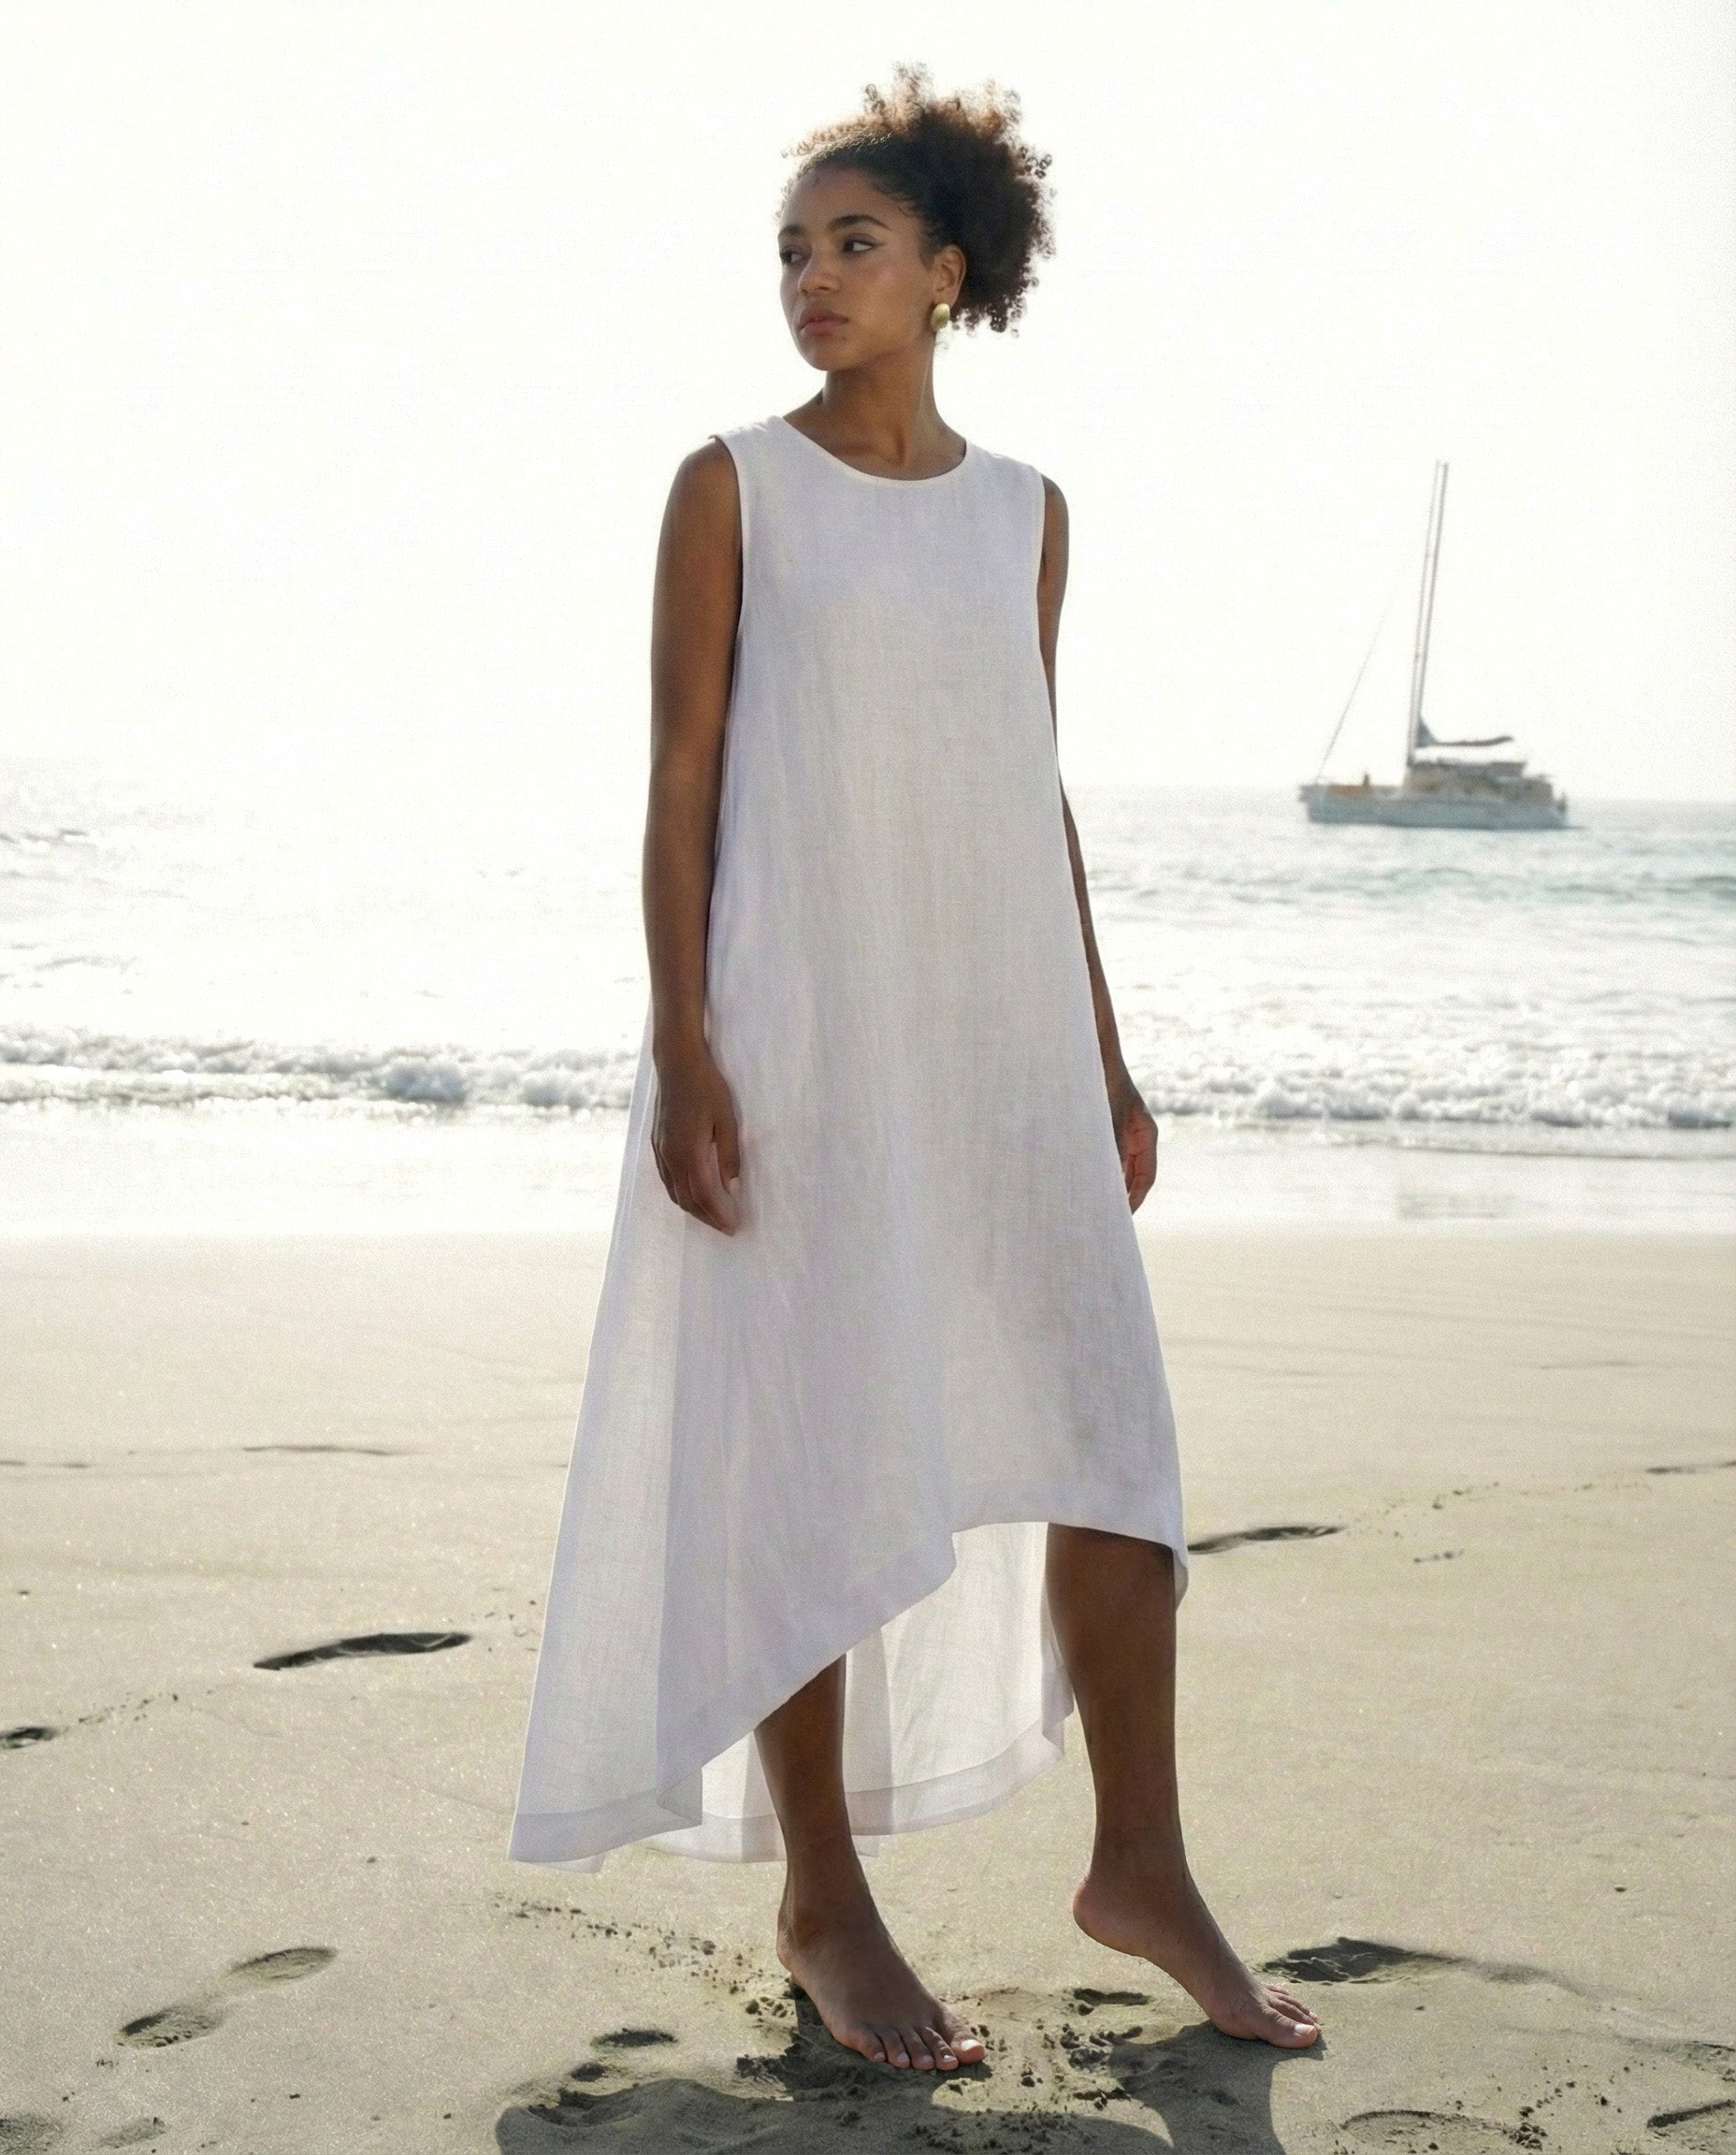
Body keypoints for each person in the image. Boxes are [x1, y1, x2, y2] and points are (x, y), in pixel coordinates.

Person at [510, 64, 1321, 2074]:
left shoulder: (1025, 517)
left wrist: (1107, 1056)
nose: (812, 279)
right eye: (790, 251)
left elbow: (1024, 794)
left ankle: (1144, 1861)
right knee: (816, 1445)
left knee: (1109, 1443)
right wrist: (683, 1042)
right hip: (795, 1038)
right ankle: (824, 1899)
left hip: (1000, 1039)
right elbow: (682, 780)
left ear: (948, 270)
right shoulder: (732, 487)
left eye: (853, 245)